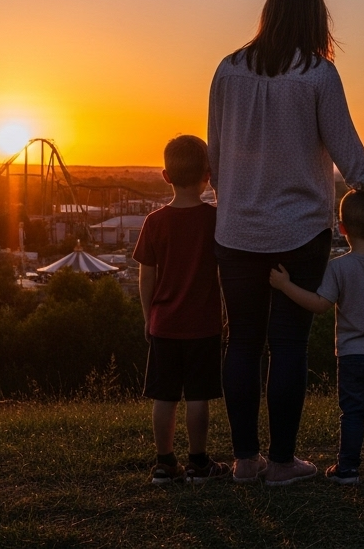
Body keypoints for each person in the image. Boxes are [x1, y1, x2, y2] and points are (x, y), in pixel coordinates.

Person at [209, 0, 364, 487]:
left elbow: (216, 155)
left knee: (242, 343)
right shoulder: (318, 75)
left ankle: (244, 461)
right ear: (316, 20)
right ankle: (281, 463)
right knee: (289, 344)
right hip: (300, 231)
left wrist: (237, 199)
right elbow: (351, 158)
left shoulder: (227, 70)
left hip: (236, 231)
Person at [268, 190, 364, 485]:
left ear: (342, 228)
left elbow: (320, 304)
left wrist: (285, 286)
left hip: (352, 354)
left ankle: (347, 468)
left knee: (352, 413)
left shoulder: (338, 267)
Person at [133, 134, 231, 485]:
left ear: (165, 176)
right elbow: (225, 273)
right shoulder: (216, 220)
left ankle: (164, 463)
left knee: (165, 395)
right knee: (198, 395)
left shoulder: (154, 222)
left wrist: (149, 317)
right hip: (203, 325)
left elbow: (146, 278)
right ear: (209, 174)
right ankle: (199, 463)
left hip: (164, 324)